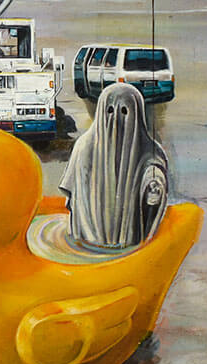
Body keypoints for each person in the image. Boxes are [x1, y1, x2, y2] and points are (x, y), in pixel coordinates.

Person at [59, 83, 169, 250]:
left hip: (128, 237)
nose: (116, 120)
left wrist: (154, 184)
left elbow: (153, 167)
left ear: (137, 115)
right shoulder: (84, 146)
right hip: (89, 236)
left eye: (125, 111)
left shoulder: (148, 149)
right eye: (110, 111)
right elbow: (73, 189)